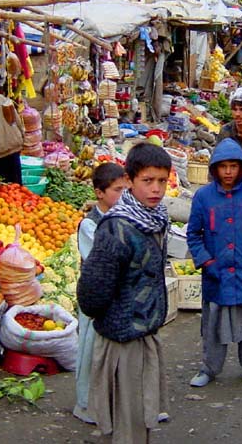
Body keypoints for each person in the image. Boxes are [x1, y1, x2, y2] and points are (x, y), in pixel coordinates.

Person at [76, 143, 172, 444]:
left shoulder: (154, 219)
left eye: (161, 181)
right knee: (126, 420)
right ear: (129, 181)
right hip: (122, 338)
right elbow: (92, 291)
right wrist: (117, 316)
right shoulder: (116, 229)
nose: (155, 189)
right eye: (147, 181)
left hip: (144, 330)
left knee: (139, 414)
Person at [186, 138, 242, 387]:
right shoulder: (203, 197)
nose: (229, 172)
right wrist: (207, 261)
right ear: (215, 169)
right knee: (212, 325)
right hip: (216, 275)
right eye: (223, 167)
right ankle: (209, 368)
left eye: (234, 166)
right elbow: (194, 234)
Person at [73, 163, 129, 424]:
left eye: (124, 189)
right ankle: (85, 405)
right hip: (96, 297)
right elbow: (102, 261)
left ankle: (112, 403)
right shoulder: (89, 224)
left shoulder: (122, 218)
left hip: (116, 296)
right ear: (99, 193)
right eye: (117, 190)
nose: (123, 195)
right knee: (91, 349)